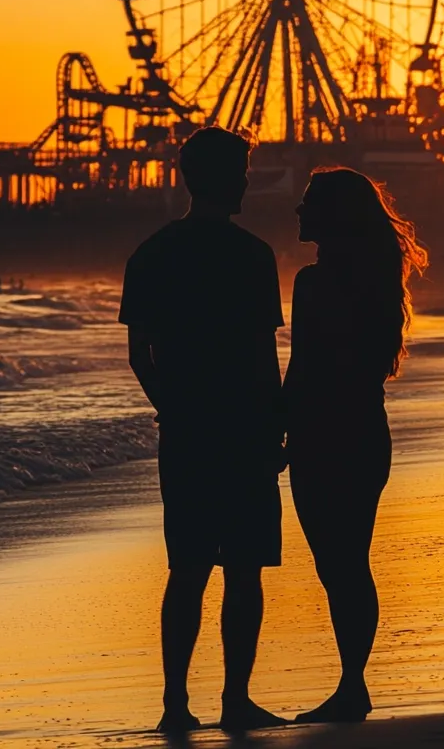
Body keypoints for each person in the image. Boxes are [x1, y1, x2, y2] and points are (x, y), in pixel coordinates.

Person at [119, 127, 286, 736]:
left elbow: (141, 355)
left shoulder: (151, 253)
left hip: (186, 434)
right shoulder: (254, 255)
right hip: (245, 429)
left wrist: (174, 408)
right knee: (245, 567)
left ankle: (174, 704)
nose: (247, 181)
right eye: (243, 171)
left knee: (187, 567)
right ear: (222, 177)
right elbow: (264, 356)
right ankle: (235, 700)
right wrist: (275, 429)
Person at [284, 168, 427, 723]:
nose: (298, 212)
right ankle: (352, 682)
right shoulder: (377, 278)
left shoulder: (316, 283)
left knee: (335, 564)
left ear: (332, 214)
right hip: (366, 429)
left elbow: (304, 368)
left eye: (307, 203)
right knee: (350, 562)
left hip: (324, 433)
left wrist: (280, 430)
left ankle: (352, 687)